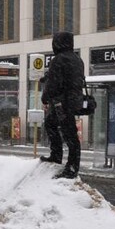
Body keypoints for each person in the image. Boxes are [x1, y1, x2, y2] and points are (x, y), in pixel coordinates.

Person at [40, 31, 86, 179]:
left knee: (66, 132)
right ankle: (61, 158)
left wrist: (45, 97)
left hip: (62, 102)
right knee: (60, 128)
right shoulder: (77, 59)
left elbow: (54, 82)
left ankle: (69, 166)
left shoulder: (58, 59)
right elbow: (69, 78)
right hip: (73, 101)